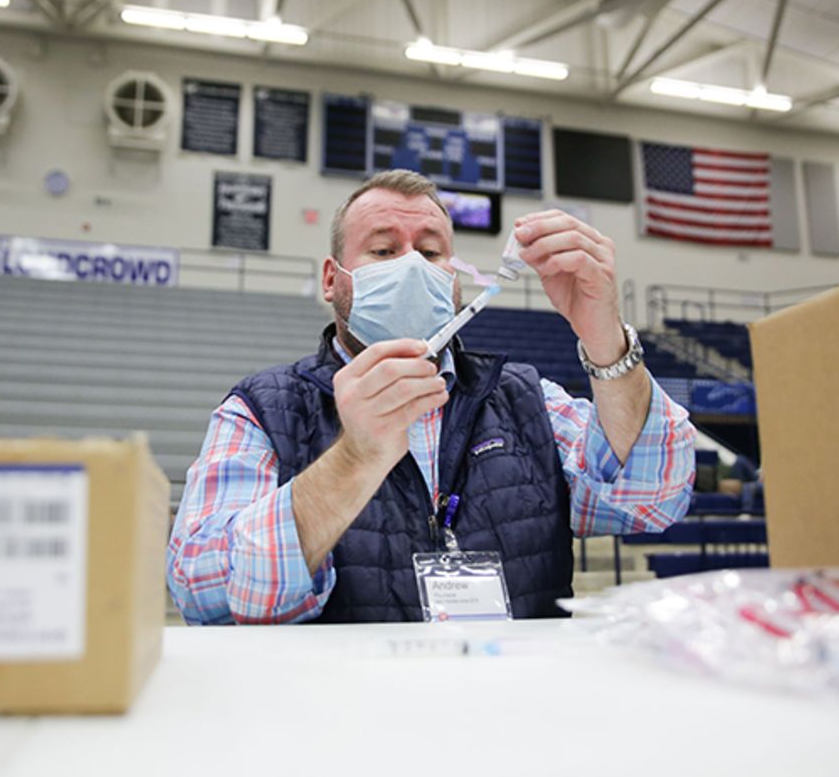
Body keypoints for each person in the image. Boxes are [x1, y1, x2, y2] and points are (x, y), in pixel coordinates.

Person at [167, 170, 695, 624]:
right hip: (338, 719)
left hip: (517, 710)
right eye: (382, 250)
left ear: (454, 277)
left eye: (429, 251)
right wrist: (352, 462)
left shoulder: (526, 398)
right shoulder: (261, 411)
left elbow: (649, 499)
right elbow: (203, 591)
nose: (411, 265)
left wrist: (604, 336)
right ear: (333, 279)